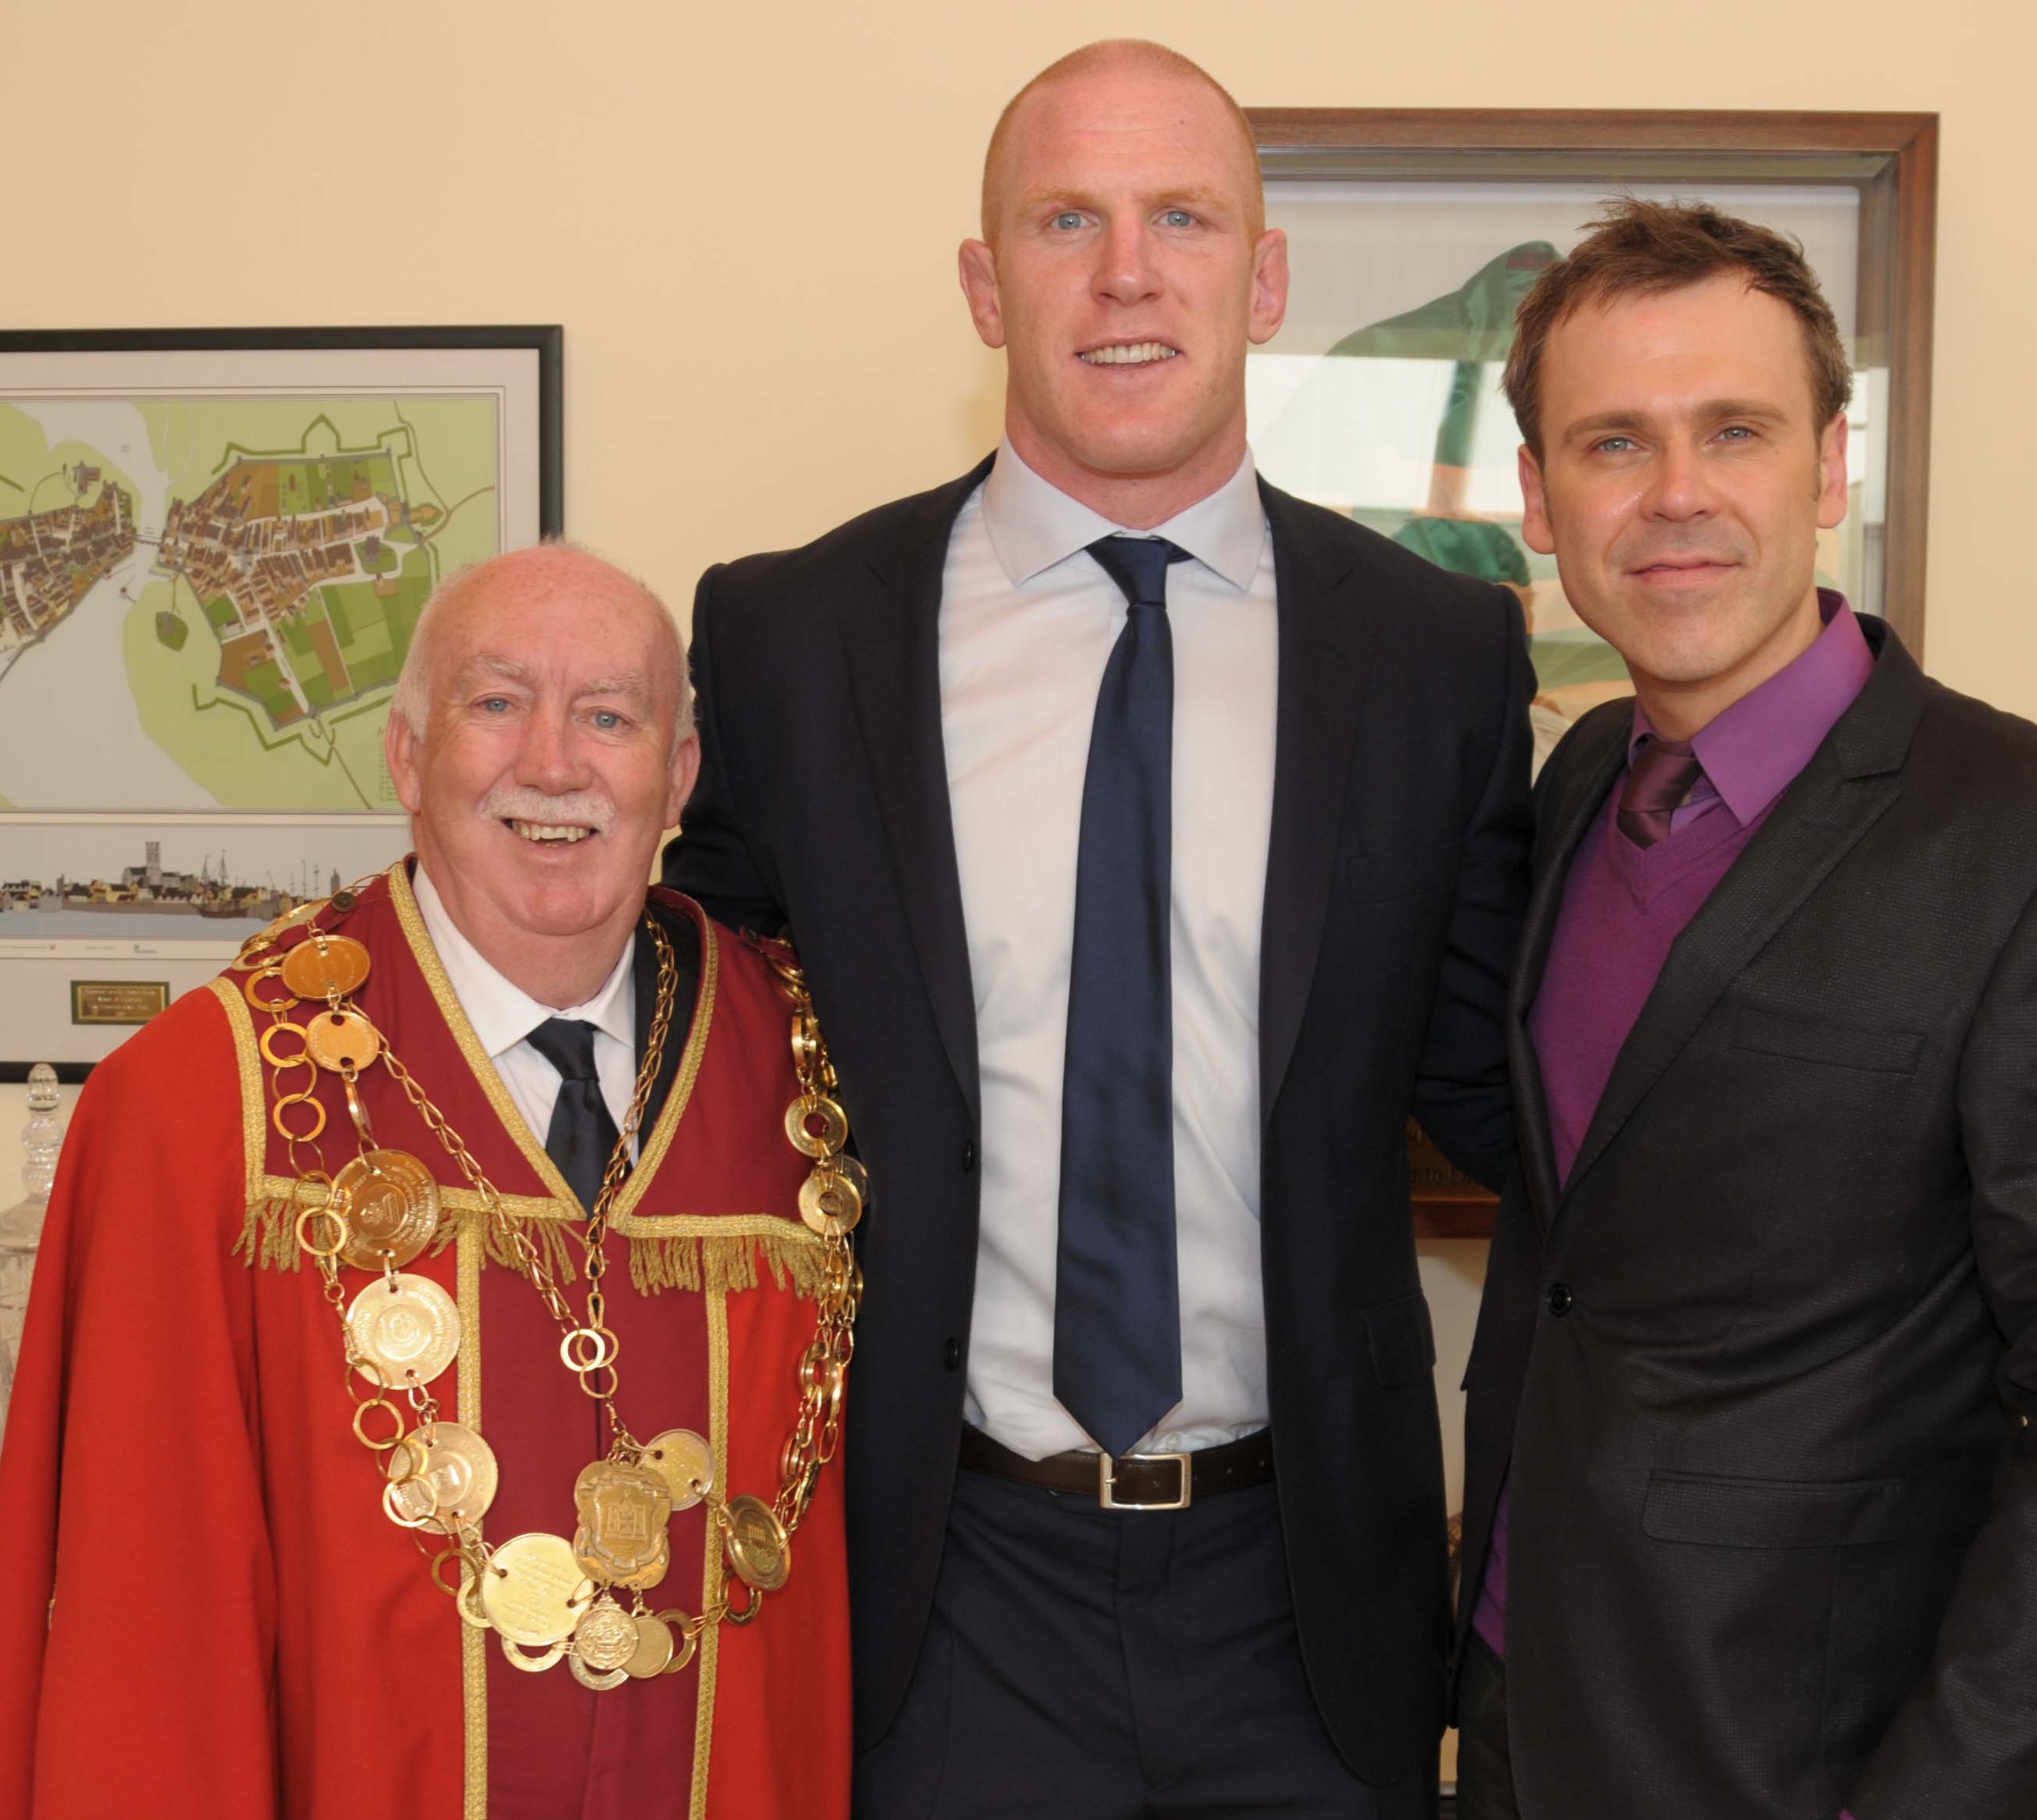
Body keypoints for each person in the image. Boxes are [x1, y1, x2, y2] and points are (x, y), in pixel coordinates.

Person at [664, 38, 1536, 1818]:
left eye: (1182, 219)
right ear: (988, 287)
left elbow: (1505, 1082)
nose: (1126, 271)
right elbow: (679, 1060)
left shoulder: (1436, 655)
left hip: (1308, 1600)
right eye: (1067, 219)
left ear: (1264, 276)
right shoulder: (789, 639)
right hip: (937, 1581)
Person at [1453, 199, 2037, 1820]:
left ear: (1829, 465)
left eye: (1734, 430)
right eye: (1612, 444)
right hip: (1524, 1709)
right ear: (1538, 498)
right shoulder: (1588, 775)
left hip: (1813, 1758)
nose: (1677, 497)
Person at [0, 546, 859, 1818]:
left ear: (677, 777)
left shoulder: (808, 1081)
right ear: (406, 754)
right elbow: (144, 1635)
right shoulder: (200, 1108)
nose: (555, 766)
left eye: (610, 716)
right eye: (497, 702)